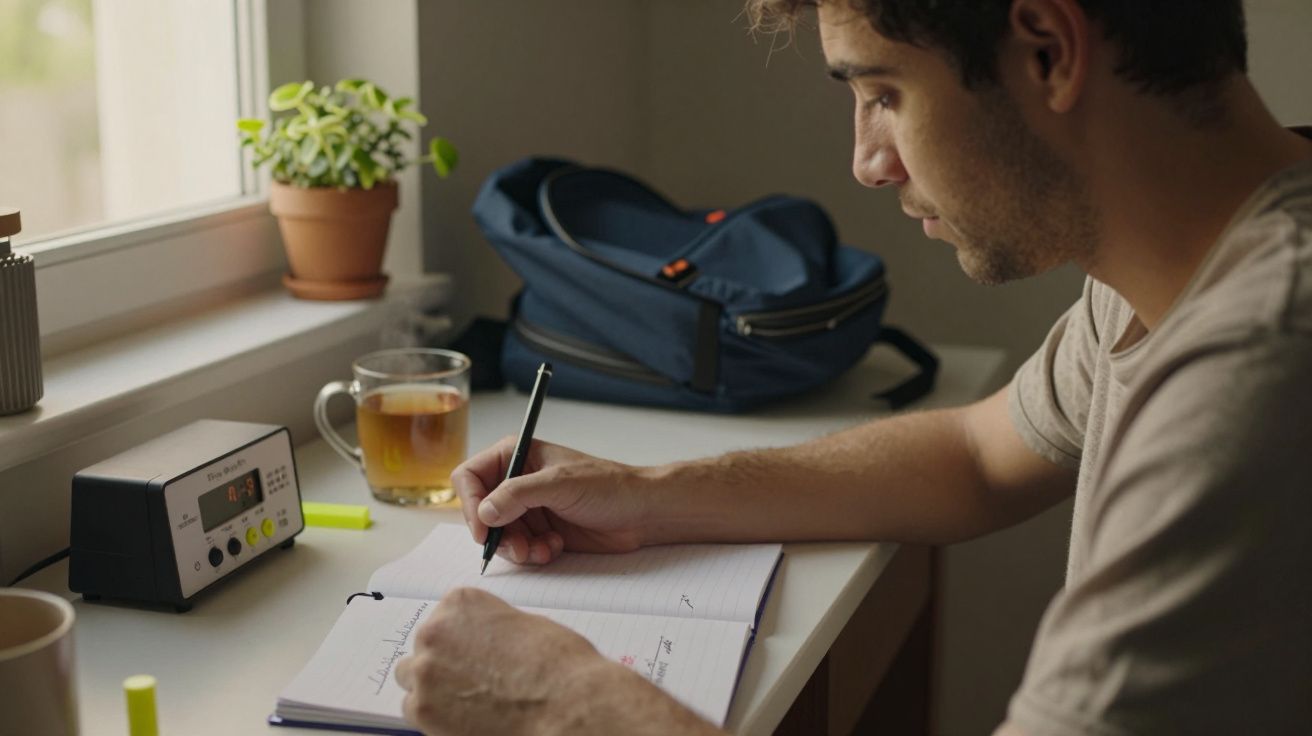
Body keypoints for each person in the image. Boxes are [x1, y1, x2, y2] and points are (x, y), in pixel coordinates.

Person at [393, 0, 1312, 733]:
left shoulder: (1259, 363)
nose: (867, 163)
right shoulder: (1192, 256)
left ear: (1047, 50)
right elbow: (979, 454)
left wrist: (564, 707)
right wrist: (649, 493)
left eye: (884, 94)